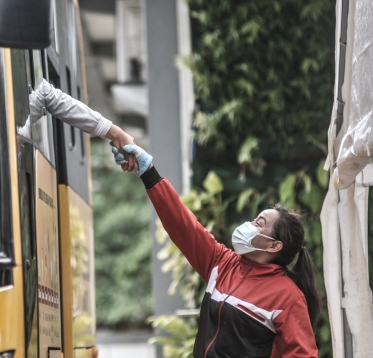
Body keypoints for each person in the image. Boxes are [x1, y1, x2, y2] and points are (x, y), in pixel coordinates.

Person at [27, 79, 321, 357]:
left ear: (273, 246)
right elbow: (182, 224)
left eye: (260, 223)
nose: (250, 224)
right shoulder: (223, 264)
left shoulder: (288, 298)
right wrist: (148, 171)